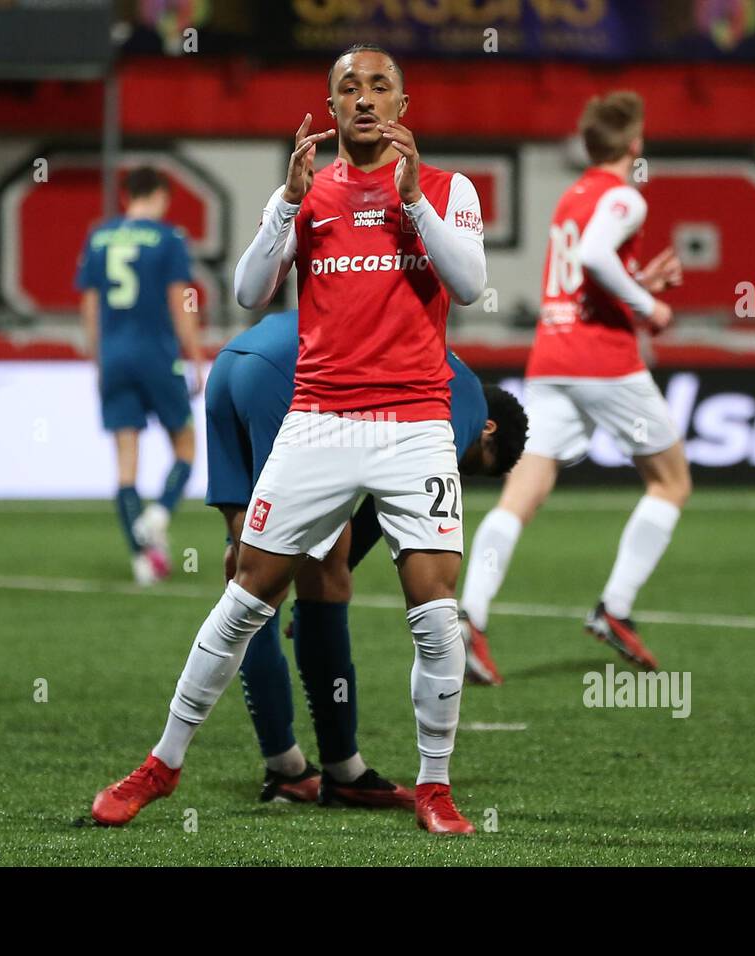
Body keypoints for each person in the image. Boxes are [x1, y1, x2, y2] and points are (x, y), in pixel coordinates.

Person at [91, 43, 488, 835]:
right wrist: (282, 206)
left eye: (380, 86)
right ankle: (163, 763)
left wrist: (413, 203)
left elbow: (470, 285)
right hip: (318, 421)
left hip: (413, 424)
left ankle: (436, 788)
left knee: (436, 609)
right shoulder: (309, 194)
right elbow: (245, 290)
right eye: (350, 88)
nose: (365, 99)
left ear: (402, 105)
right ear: (331, 105)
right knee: (245, 592)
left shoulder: (447, 189)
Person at [205, 309, 527, 804]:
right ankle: (342, 769)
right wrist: (335, 569)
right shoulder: (460, 401)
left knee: (246, 573)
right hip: (287, 379)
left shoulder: (446, 364)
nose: (463, 472)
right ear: (487, 432)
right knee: (322, 579)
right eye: (477, 467)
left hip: (232, 365)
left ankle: (285, 764)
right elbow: (387, 500)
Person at [460, 90, 689, 678]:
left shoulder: (573, 195)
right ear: (634, 144)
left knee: (521, 495)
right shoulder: (626, 198)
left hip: (552, 356)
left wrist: (635, 276)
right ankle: (615, 609)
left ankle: (471, 616)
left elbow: (585, 267)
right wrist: (648, 306)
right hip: (603, 360)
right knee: (670, 483)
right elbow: (593, 257)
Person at [75, 166, 204, 584]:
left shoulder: (98, 236)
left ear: (127, 196)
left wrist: (98, 359)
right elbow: (180, 299)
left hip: (114, 357)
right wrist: (196, 355)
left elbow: (90, 305)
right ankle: (159, 513)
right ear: (161, 195)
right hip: (156, 355)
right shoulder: (169, 238)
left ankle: (141, 562)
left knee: (125, 464)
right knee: (185, 447)